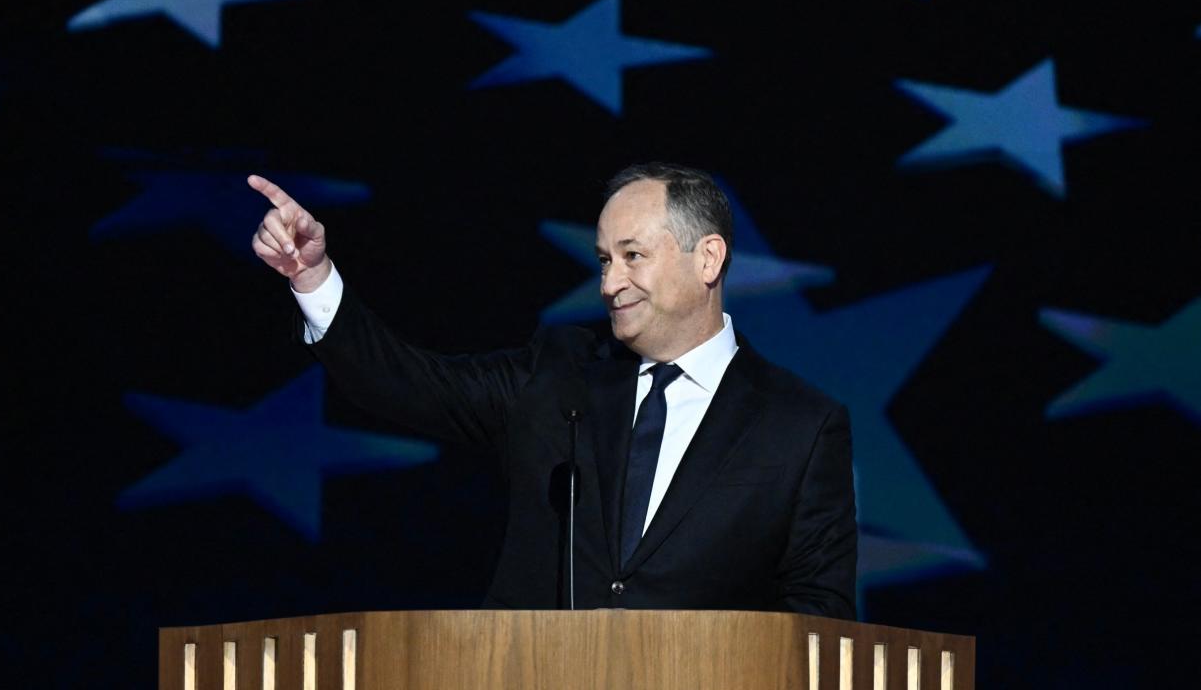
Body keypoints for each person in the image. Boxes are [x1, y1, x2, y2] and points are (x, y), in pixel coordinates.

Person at [249, 162, 857, 617]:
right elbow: (411, 386)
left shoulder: (799, 426)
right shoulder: (560, 373)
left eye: (632, 255)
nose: (610, 282)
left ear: (709, 259)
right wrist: (313, 279)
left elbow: (819, 621)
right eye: (602, 260)